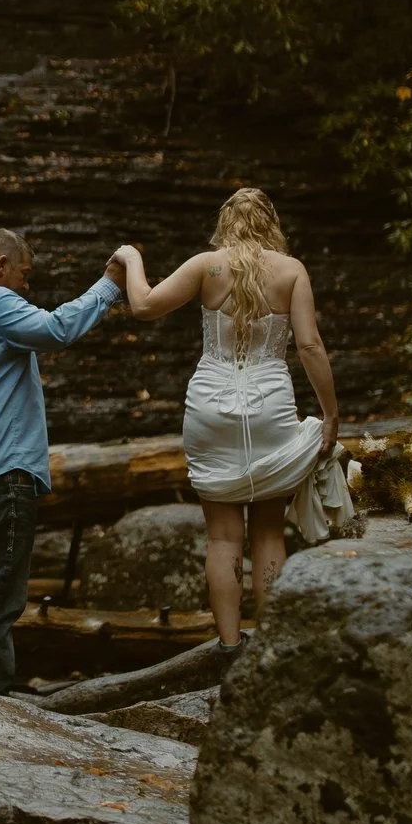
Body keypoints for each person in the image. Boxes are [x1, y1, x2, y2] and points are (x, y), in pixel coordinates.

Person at [110, 187, 340, 649]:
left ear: (225, 223)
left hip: (210, 405)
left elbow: (143, 306)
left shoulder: (206, 265)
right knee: (270, 531)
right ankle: (269, 648)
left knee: (222, 538)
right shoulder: (291, 270)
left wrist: (133, 259)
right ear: (270, 222)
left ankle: (230, 649)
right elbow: (310, 346)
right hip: (271, 406)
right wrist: (331, 414)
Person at [0, 228, 124, 693]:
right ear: (1, 267)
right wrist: (110, 284)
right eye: (25, 275)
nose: (26, 288)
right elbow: (56, 329)